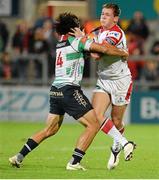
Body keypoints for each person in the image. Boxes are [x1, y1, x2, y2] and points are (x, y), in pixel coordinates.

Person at [9, 12, 133, 171]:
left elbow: (88, 53)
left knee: (49, 129)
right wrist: (123, 52)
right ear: (73, 28)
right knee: (94, 124)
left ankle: (18, 157)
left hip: (55, 91)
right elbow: (102, 49)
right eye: (77, 24)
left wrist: (86, 41)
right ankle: (74, 162)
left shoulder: (61, 42)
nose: (80, 26)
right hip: (69, 90)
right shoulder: (78, 41)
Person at [91, 3, 136, 170]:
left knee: (116, 121)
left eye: (107, 14)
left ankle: (116, 149)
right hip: (103, 79)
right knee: (97, 115)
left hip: (120, 81)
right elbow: (93, 49)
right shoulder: (97, 31)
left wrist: (90, 44)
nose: (103, 16)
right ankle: (125, 143)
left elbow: (98, 52)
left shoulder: (116, 32)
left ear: (115, 18)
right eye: (102, 14)